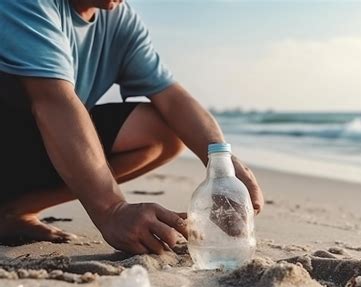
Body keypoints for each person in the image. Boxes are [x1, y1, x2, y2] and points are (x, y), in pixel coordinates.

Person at [0, 0, 264, 255]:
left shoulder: (119, 20)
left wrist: (223, 163)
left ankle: (12, 212)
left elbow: (171, 98)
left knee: (162, 133)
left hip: (31, 147)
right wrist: (111, 210)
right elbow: (54, 102)